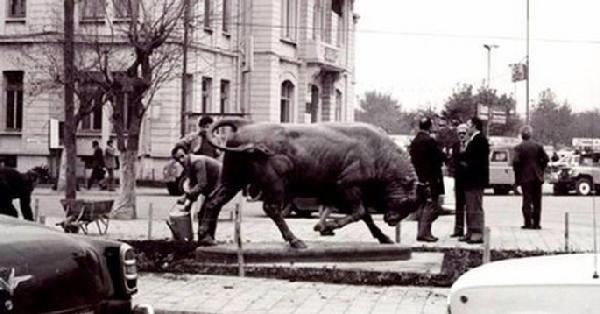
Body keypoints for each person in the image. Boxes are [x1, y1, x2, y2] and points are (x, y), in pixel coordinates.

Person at [409, 117, 446, 242]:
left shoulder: (415, 142)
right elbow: (439, 157)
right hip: (431, 179)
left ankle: (421, 231)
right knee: (430, 206)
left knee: (421, 206)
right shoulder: (430, 141)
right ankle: (424, 233)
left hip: (419, 178)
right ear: (430, 127)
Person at [512, 125, 549, 230]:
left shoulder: (519, 147)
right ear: (531, 135)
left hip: (525, 177)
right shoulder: (538, 146)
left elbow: (516, 162)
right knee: (537, 200)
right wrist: (540, 169)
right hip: (537, 177)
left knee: (526, 200)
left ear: (521, 135)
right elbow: (546, 159)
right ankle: (536, 223)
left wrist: (518, 176)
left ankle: (527, 222)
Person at [460, 117, 489, 244]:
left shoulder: (480, 140)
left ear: (475, 126)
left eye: (469, 125)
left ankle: (477, 233)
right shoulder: (472, 140)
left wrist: (465, 161)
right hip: (470, 179)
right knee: (470, 206)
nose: (467, 128)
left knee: (475, 206)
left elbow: (476, 160)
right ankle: (470, 231)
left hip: (476, 179)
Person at [450, 123, 468, 238]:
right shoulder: (455, 146)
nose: (461, 135)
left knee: (469, 206)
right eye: (459, 133)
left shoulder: (470, 145)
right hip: (459, 179)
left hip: (468, 179)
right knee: (459, 205)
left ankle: (469, 229)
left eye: (464, 133)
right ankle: (458, 229)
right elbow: (453, 161)